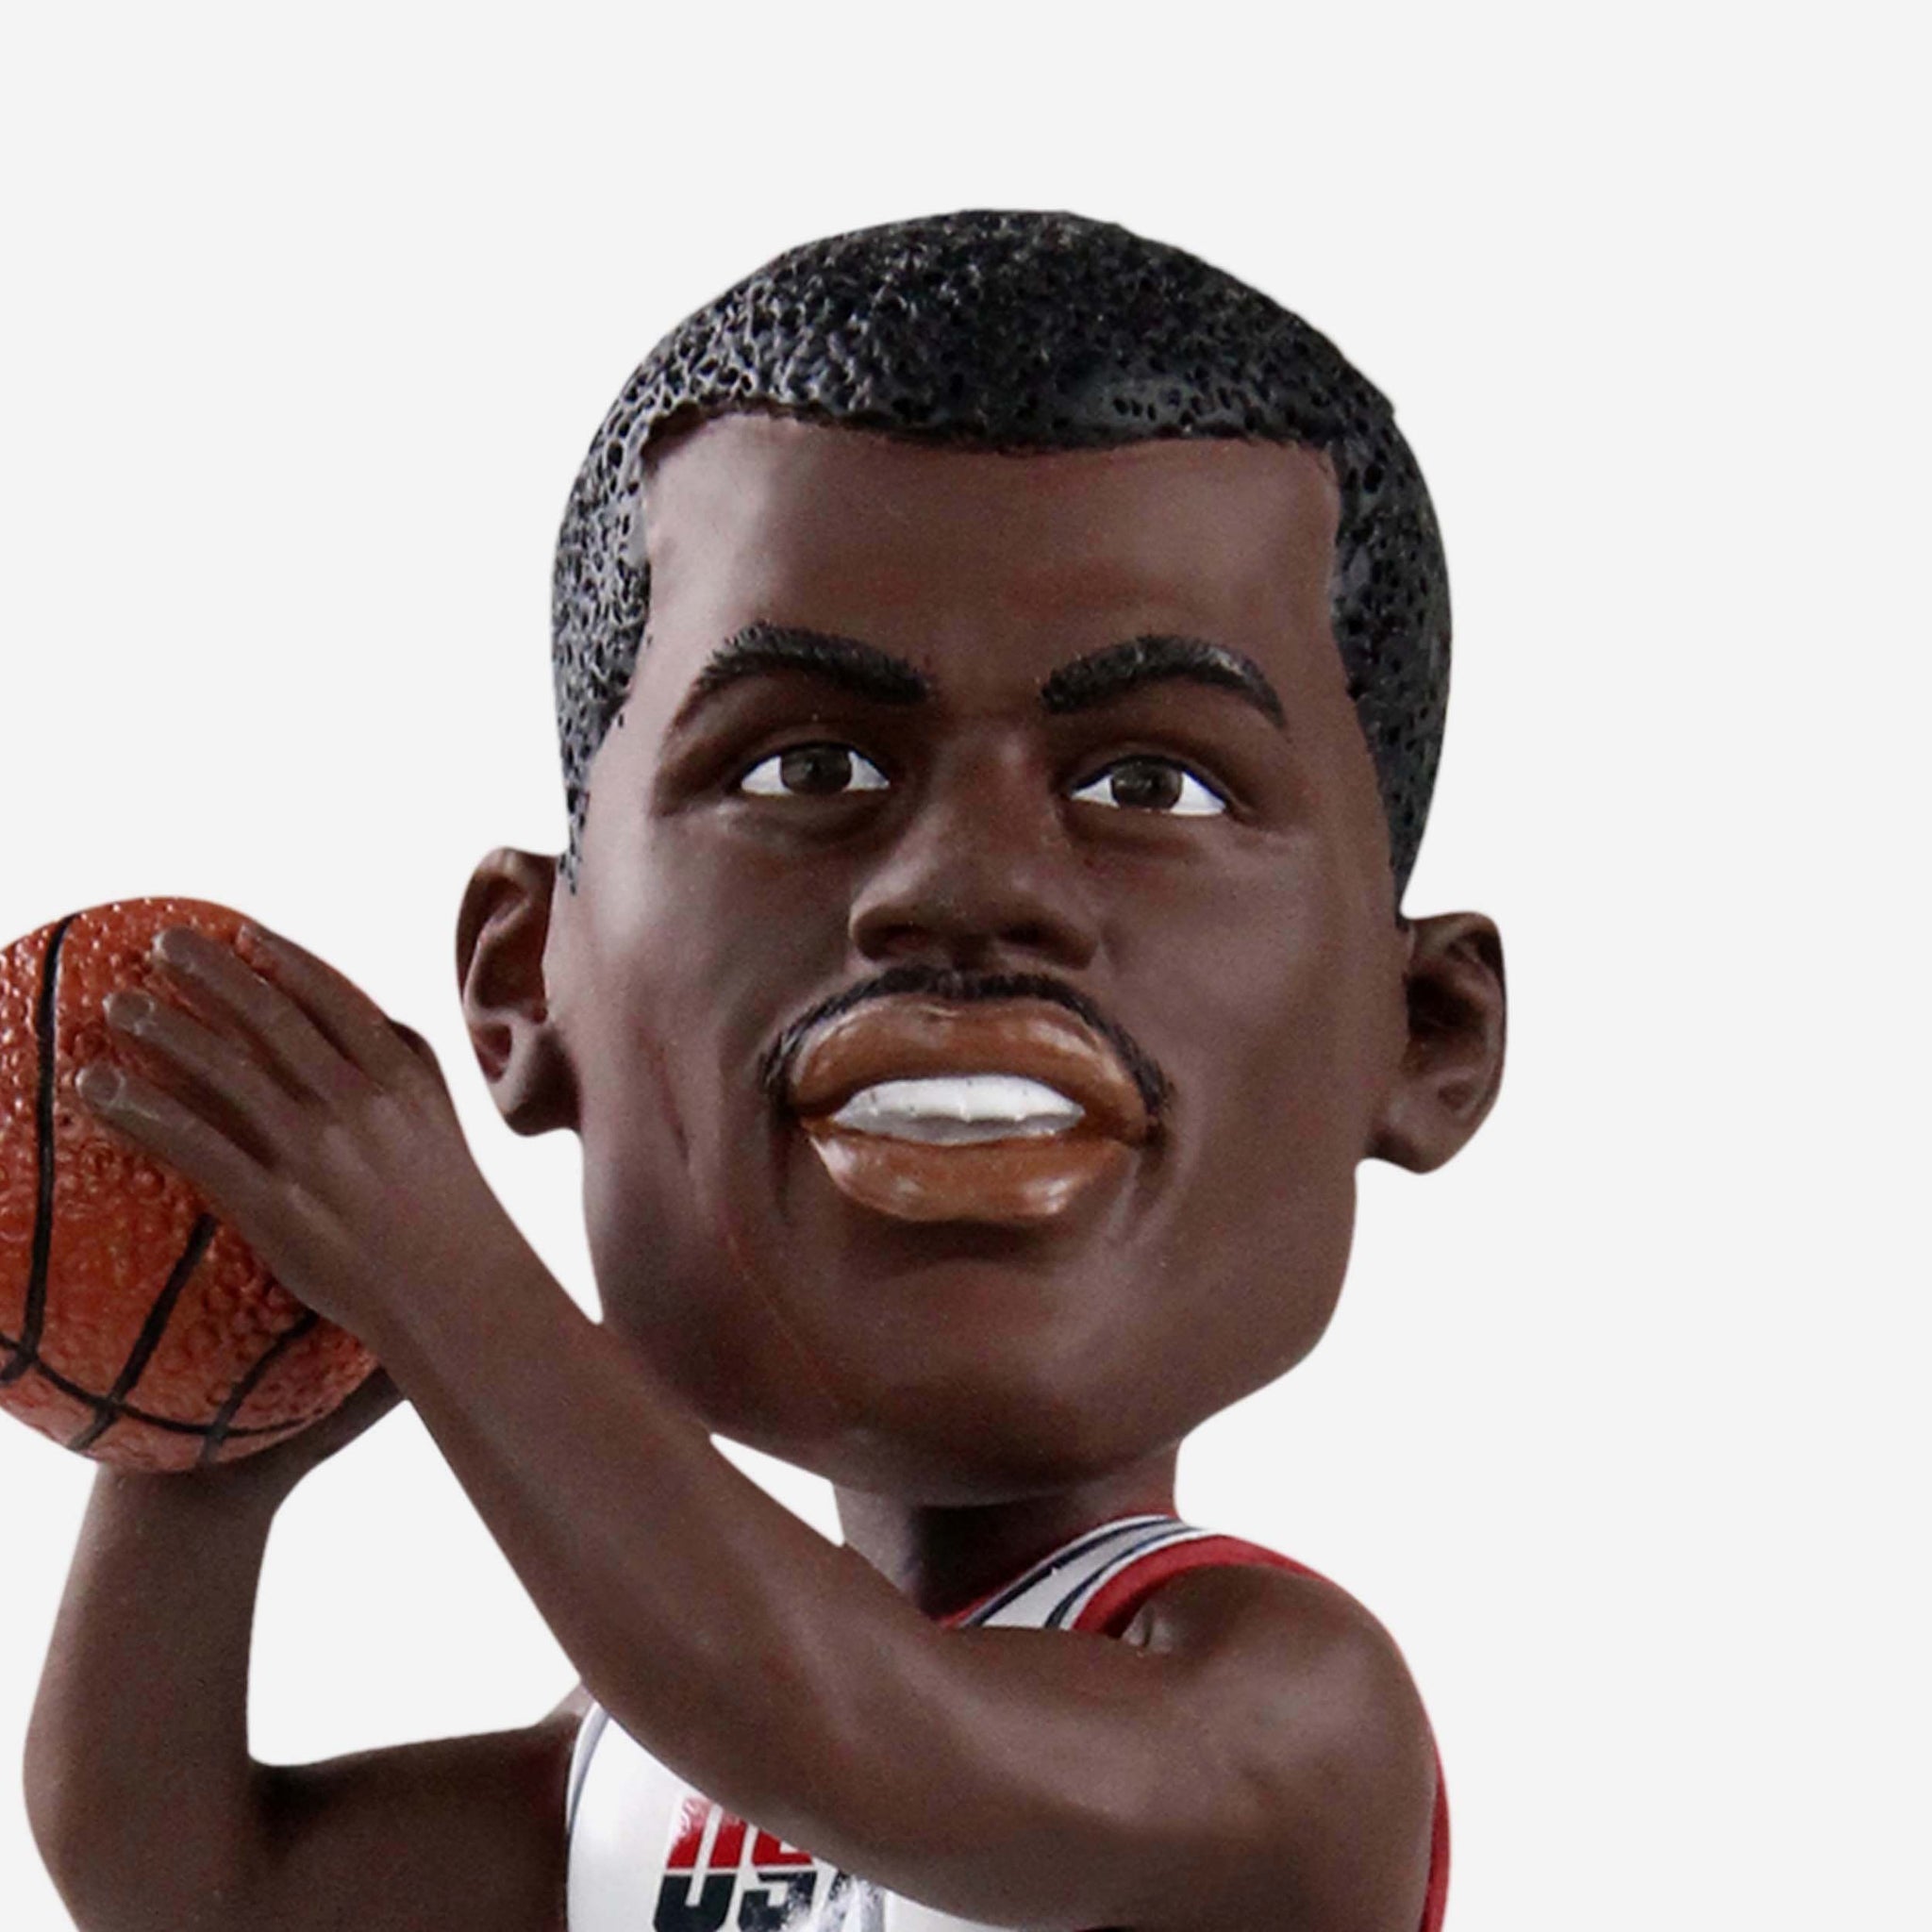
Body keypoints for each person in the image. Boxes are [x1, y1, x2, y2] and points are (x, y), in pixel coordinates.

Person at [24, 209, 1506, 1932]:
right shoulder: (647, 1758)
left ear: (1426, 1037)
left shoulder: (1291, 1722)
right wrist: (209, 1404)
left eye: (1147, 787)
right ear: (524, 988)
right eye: (811, 769)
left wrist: (443, 1279)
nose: (970, 886)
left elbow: (849, 1730)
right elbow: (181, 1878)